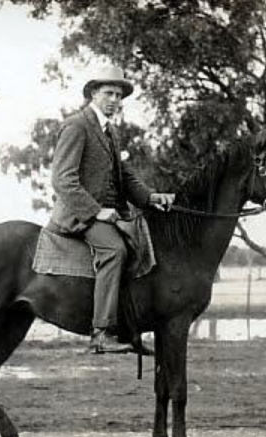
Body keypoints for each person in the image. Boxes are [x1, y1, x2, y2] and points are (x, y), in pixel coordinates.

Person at [47, 66, 175, 354]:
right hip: (78, 215)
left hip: (106, 213)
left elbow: (123, 175)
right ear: (94, 93)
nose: (115, 99)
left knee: (141, 245)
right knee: (114, 250)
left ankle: (130, 327)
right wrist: (96, 212)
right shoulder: (77, 125)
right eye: (109, 93)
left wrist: (151, 197)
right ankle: (101, 333)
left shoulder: (110, 131)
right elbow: (62, 179)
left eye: (119, 95)